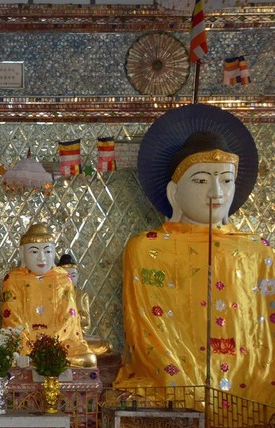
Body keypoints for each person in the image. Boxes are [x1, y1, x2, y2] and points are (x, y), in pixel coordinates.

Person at [115, 104, 275, 404]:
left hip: (250, 379)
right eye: (201, 180)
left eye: (226, 180)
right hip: (177, 376)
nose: (216, 192)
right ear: (174, 193)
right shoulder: (147, 248)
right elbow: (146, 332)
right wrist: (180, 378)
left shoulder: (258, 250)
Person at [1, 223, 96, 368]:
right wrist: (32, 343)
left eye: (47, 251)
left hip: (61, 343)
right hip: (26, 343)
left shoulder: (63, 278)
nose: (42, 258)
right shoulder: (13, 279)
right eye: (34, 252)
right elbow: (12, 319)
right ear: (22, 253)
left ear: (54, 253)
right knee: (7, 358)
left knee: (89, 360)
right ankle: (42, 360)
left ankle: (40, 361)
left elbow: (68, 317)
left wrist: (52, 343)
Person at [56, 253, 113, 357]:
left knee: (105, 345)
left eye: (73, 276)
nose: (70, 279)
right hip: (59, 336)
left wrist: (72, 319)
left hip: (77, 335)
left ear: (78, 277)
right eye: (66, 276)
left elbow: (86, 322)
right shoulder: (54, 295)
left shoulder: (82, 295)